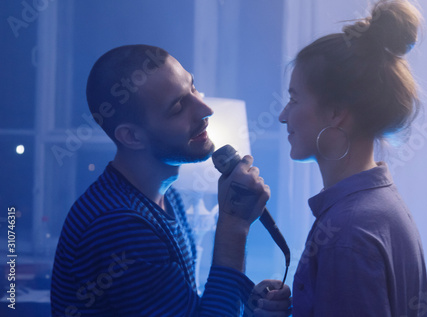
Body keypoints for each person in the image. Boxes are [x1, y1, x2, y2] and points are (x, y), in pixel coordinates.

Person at [50, 44, 291, 317]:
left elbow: (190, 310)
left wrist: (249, 306)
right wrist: (234, 225)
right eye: (178, 107)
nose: (205, 108)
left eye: (193, 88)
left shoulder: (164, 197)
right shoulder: (122, 225)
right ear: (131, 136)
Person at [278, 0, 427, 316]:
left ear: (335, 112)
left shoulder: (347, 232)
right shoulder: (380, 207)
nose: (282, 116)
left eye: (293, 99)